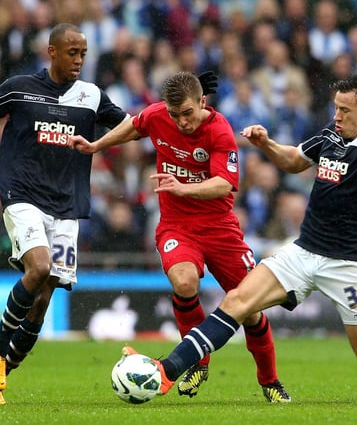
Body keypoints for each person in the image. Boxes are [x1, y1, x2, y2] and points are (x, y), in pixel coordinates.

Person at [122, 75, 357, 402]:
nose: (336, 115)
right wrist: (266, 144)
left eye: (344, 110)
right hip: (303, 252)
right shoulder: (331, 134)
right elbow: (295, 161)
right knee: (237, 302)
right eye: (336, 107)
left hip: (348, 266)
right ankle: (166, 370)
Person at [0, 23, 130, 405]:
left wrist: (184, 111)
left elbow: (134, 125)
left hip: (66, 207)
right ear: (51, 51)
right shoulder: (18, 88)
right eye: (72, 52)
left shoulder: (91, 96)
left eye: (83, 53)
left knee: (43, 301)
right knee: (39, 269)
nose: (79, 59)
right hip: (22, 195)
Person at [68, 71, 291, 402]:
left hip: (220, 227)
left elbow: (224, 184)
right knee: (185, 283)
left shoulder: (219, 129)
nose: (182, 122)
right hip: (177, 225)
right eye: (175, 115)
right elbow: (134, 125)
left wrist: (182, 187)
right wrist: (98, 145)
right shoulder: (159, 115)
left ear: (202, 102)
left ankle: (269, 381)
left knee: (251, 309)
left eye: (188, 113)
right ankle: (198, 362)